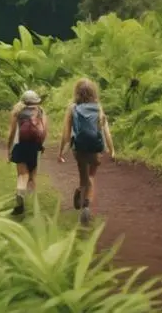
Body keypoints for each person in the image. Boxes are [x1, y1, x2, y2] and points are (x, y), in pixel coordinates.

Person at [58, 78, 116, 225]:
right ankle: (86, 206)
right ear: (93, 92)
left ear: (76, 92)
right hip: (96, 148)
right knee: (91, 176)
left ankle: (81, 193)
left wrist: (61, 152)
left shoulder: (72, 108)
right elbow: (106, 131)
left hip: (79, 148)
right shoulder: (98, 107)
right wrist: (112, 150)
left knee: (83, 176)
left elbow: (66, 134)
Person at [7, 90, 48, 216]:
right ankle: (33, 207)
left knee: (22, 175)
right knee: (33, 177)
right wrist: (41, 145)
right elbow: (44, 131)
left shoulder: (17, 112)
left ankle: (20, 195)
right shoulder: (40, 112)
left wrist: (9, 149)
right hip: (34, 147)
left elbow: (12, 133)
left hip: (20, 146)